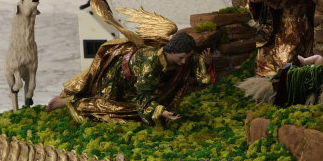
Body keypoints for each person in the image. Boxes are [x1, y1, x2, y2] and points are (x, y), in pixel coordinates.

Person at [46, 32, 214, 126]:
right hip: (116, 76)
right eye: (181, 58)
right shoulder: (151, 66)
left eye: (187, 57)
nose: (184, 62)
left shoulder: (181, 56)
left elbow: (198, 68)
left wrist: (206, 64)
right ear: (170, 51)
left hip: (134, 80)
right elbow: (144, 102)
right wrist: (161, 111)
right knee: (106, 109)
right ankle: (70, 101)